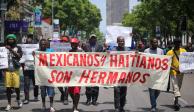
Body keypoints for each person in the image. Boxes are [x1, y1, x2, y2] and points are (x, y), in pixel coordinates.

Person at [144, 38, 164, 112]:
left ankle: (153, 101)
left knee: (158, 91)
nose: (155, 43)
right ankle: (153, 106)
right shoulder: (146, 51)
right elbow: (143, 61)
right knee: (151, 91)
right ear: (151, 43)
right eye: (154, 42)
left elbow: (164, 61)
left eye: (156, 42)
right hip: (150, 75)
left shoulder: (161, 51)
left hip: (159, 75)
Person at [167, 38, 187, 111]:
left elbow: (186, 61)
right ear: (174, 44)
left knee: (178, 87)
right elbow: (167, 63)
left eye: (179, 43)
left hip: (181, 73)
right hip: (173, 73)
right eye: (177, 43)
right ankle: (176, 103)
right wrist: (175, 69)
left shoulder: (184, 51)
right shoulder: (170, 52)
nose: (178, 45)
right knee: (175, 87)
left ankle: (175, 100)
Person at [4, 34, 23, 111]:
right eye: (9, 39)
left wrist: (11, 50)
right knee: (8, 87)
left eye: (12, 39)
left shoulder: (18, 48)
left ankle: (18, 99)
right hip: (7, 70)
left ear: (14, 40)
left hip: (16, 70)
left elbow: (19, 56)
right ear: (7, 40)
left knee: (17, 87)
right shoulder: (3, 48)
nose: (10, 40)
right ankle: (9, 104)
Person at [85, 34, 103, 105]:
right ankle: (88, 100)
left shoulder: (100, 46)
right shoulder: (86, 46)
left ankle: (94, 100)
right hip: (88, 69)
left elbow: (103, 56)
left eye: (94, 38)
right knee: (88, 86)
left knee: (96, 86)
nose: (93, 39)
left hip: (96, 69)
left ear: (96, 39)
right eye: (91, 38)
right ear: (89, 39)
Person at [38, 39, 55, 112]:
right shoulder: (37, 52)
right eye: (42, 44)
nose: (43, 45)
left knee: (51, 91)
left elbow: (55, 60)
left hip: (50, 75)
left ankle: (51, 106)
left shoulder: (51, 51)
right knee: (43, 92)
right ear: (40, 45)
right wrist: (33, 55)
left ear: (47, 45)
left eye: (44, 44)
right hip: (41, 76)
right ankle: (43, 105)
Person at [112, 36, 128, 112]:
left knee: (123, 92)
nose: (121, 42)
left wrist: (137, 54)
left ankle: (122, 106)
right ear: (117, 42)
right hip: (116, 75)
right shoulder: (113, 50)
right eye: (120, 41)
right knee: (116, 91)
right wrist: (107, 53)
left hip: (125, 76)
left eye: (122, 41)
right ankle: (116, 107)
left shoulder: (128, 50)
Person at [23, 34, 39, 104]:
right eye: (28, 38)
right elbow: (21, 56)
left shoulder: (36, 47)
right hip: (26, 68)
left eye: (30, 38)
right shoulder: (23, 47)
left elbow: (39, 56)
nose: (29, 39)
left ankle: (35, 95)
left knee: (35, 84)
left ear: (32, 39)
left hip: (34, 68)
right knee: (26, 84)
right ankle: (26, 98)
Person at [68, 38, 82, 112]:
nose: (72, 45)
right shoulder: (69, 52)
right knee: (70, 91)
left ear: (77, 44)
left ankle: (75, 107)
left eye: (74, 43)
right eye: (71, 43)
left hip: (78, 75)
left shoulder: (81, 52)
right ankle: (75, 103)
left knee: (76, 91)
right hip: (70, 75)